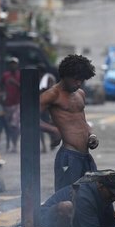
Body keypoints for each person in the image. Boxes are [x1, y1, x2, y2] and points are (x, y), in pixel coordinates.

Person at [39, 54, 98, 191]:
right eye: (76, 80)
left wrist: (92, 135)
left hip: (86, 157)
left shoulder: (80, 94)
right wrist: (53, 130)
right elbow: (29, 118)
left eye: (81, 80)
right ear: (65, 75)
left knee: (92, 196)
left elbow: (82, 121)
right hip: (69, 157)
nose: (78, 84)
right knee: (66, 199)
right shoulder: (52, 94)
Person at [0, 57, 21, 152]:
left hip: (17, 104)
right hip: (6, 104)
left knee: (15, 125)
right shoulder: (5, 75)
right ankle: (13, 143)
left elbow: (23, 88)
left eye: (14, 63)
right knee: (9, 126)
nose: (12, 65)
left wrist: (15, 83)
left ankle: (15, 143)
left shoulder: (20, 75)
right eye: (11, 64)